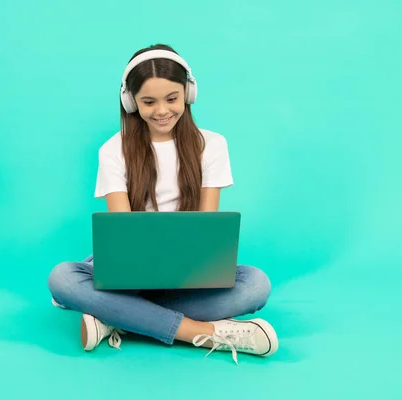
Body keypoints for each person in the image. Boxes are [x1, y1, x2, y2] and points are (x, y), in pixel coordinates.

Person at [47, 44, 278, 365]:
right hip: (130, 275)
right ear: (130, 101)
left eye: (172, 99)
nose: (162, 111)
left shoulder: (211, 145)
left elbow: (206, 227)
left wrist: (195, 267)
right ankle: (203, 332)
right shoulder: (113, 151)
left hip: (188, 274)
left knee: (255, 285)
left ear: (188, 93)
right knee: (63, 278)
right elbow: (122, 233)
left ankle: (114, 317)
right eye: (148, 101)